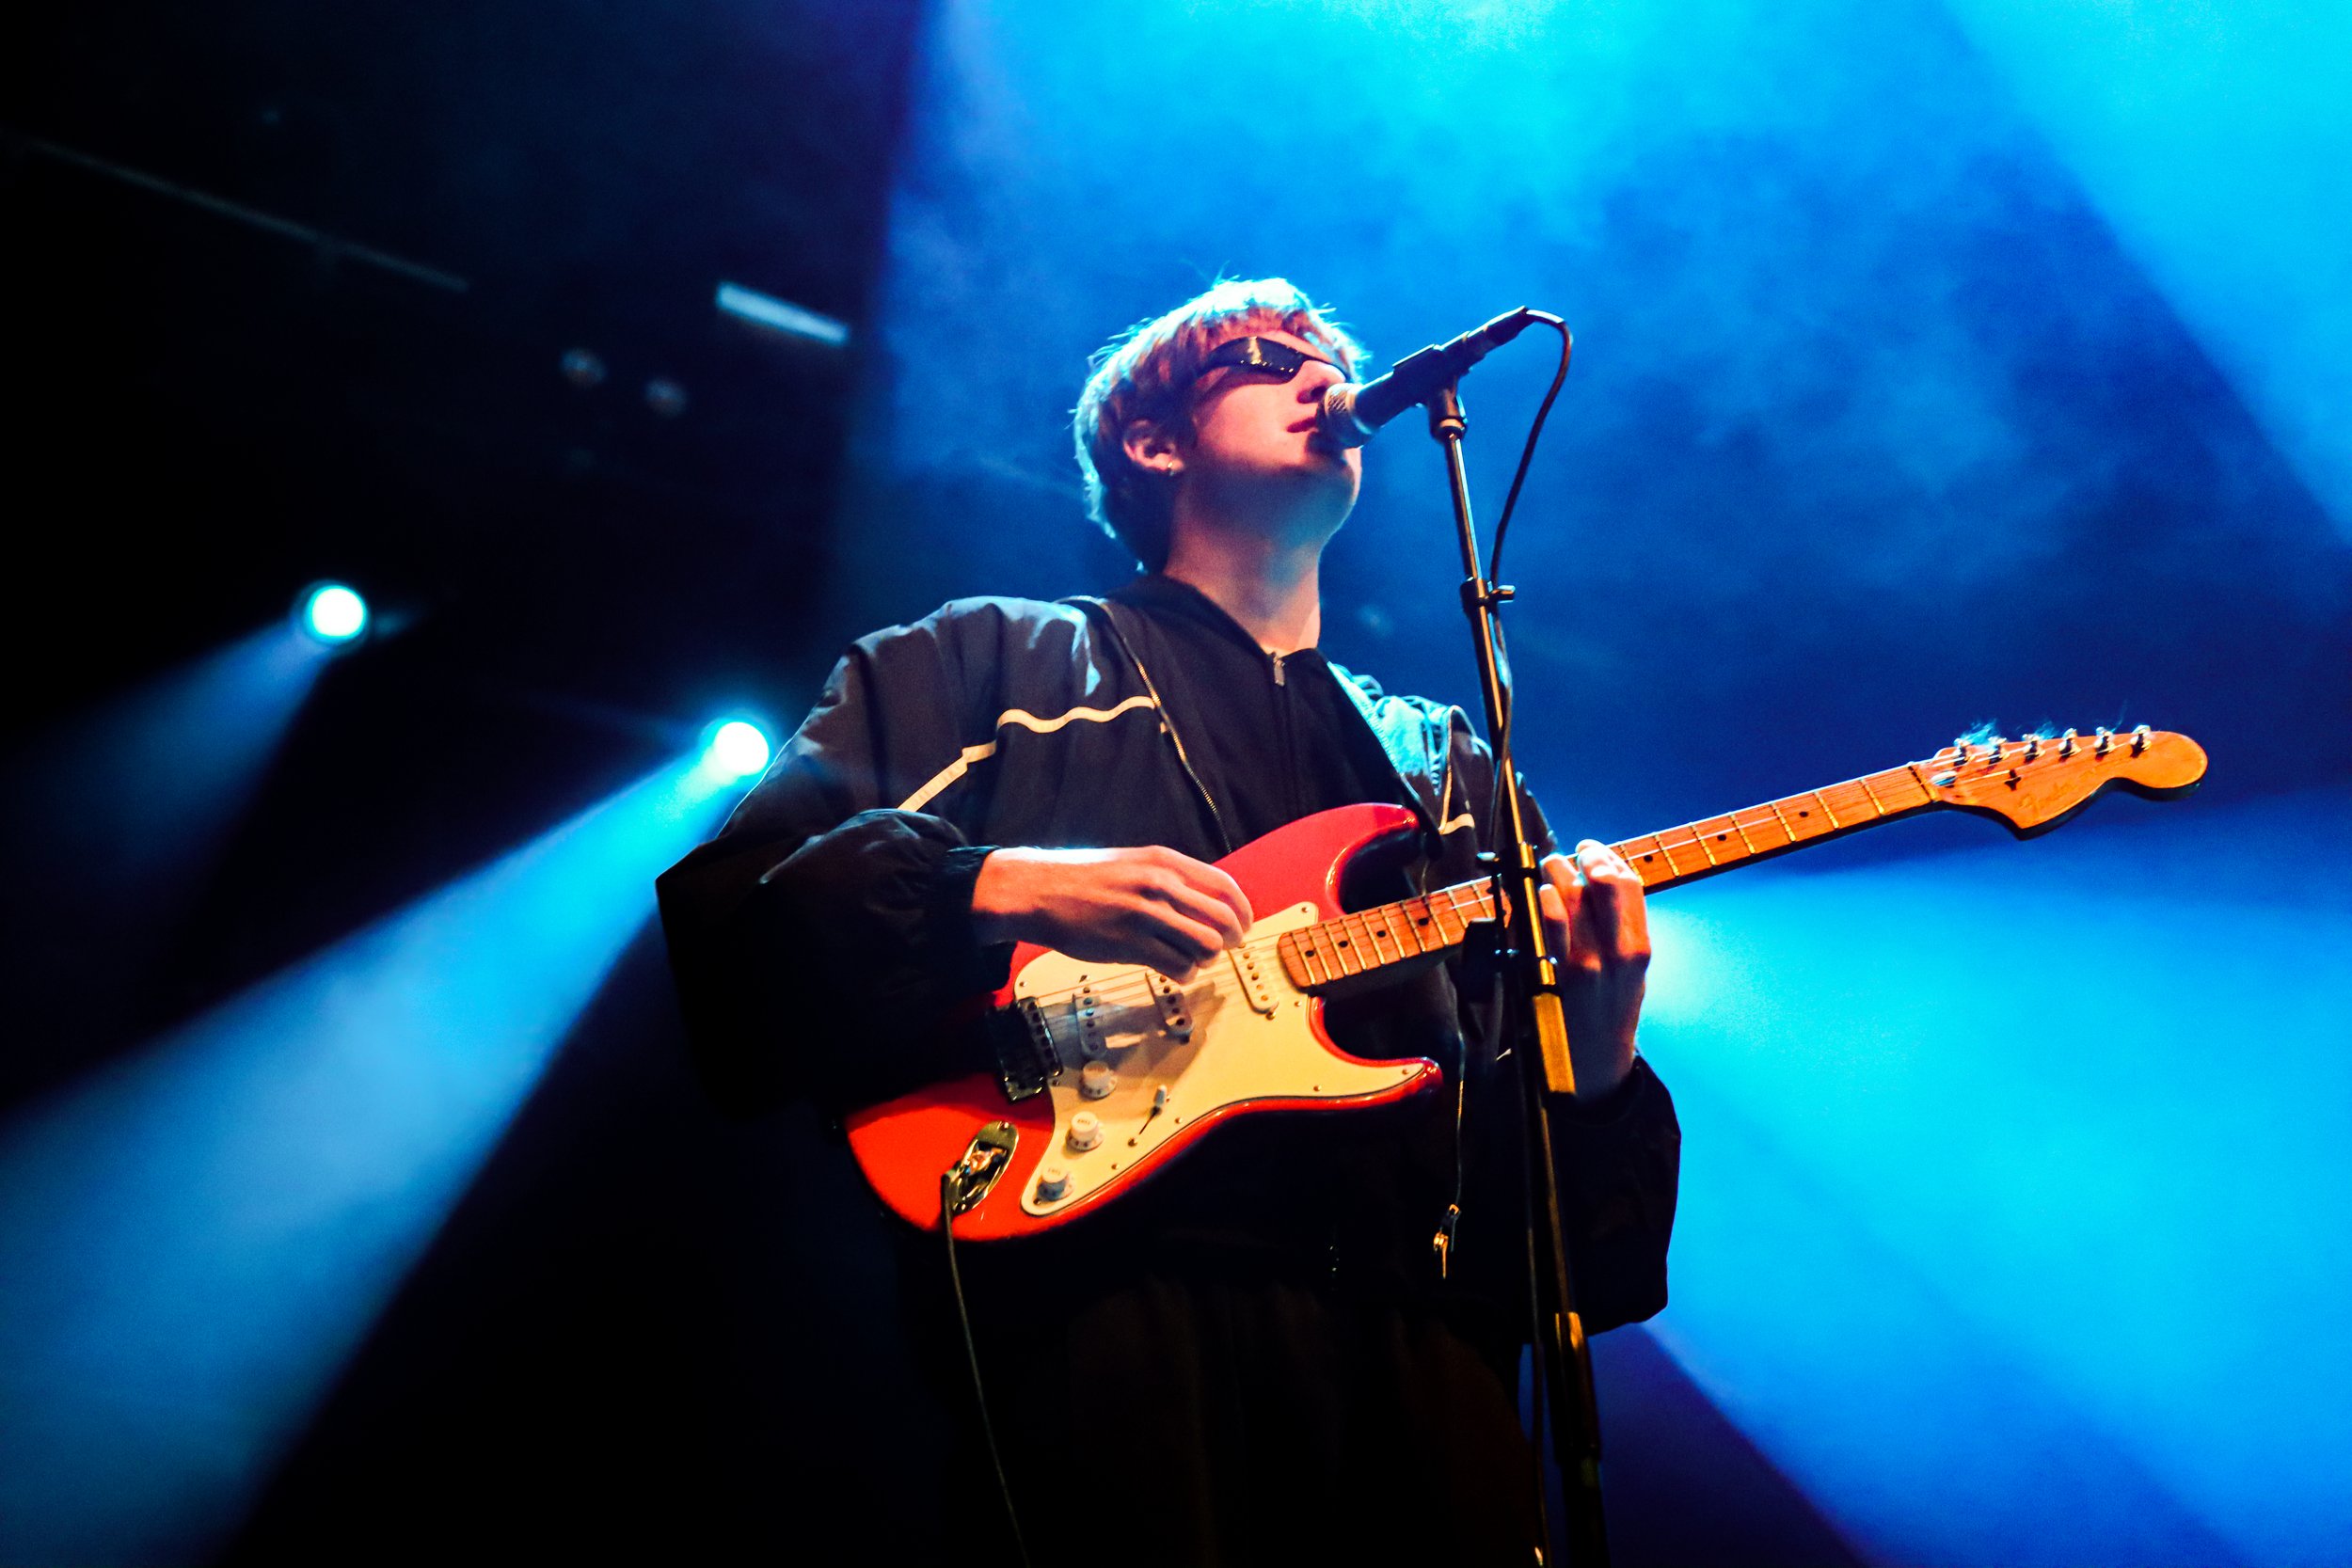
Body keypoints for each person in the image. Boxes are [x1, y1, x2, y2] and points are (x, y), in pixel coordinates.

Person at [655, 278, 1679, 1566]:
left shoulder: (1449, 766)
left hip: (1425, 1370)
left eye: (1332, 356)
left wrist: (1599, 1054)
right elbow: (733, 934)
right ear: (1152, 442)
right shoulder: (988, 667)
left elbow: (1583, 1263)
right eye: (1270, 357)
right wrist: (992, 882)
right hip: (1113, 1340)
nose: (1324, 376)